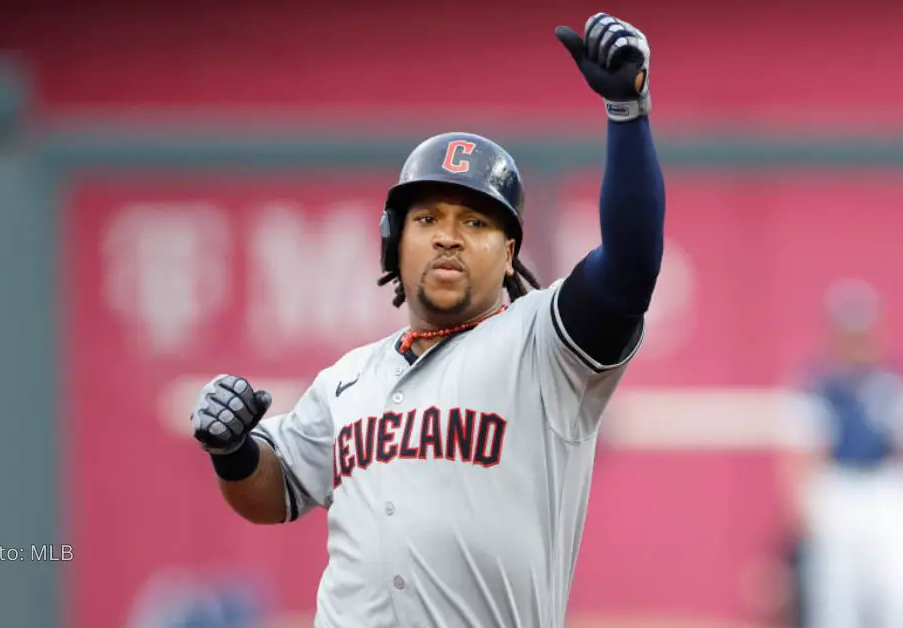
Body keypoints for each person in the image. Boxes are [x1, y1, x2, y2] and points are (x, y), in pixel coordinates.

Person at [188, 13, 665, 628]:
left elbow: (630, 266)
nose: (449, 238)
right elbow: (273, 492)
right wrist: (231, 451)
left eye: (475, 223)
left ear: (511, 251)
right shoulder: (347, 379)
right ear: (394, 242)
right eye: (428, 219)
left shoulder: (543, 347)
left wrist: (628, 113)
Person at [776, 279, 903, 628]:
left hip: (891, 489)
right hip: (839, 489)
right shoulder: (816, 387)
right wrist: (800, 508)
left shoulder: (894, 383)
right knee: (837, 599)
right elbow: (801, 454)